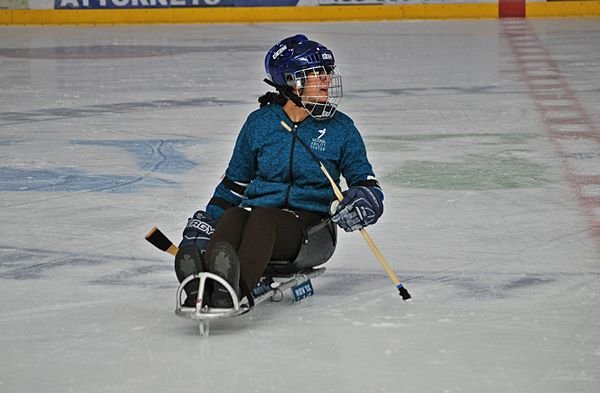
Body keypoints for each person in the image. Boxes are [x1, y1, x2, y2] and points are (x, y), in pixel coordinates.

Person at [174, 34, 384, 308]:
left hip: (312, 231)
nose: (327, 80)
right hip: (257, 222)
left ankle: (234, 291)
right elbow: (233, 186)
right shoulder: (260, 123)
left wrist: (363, 200)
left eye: (327, 72)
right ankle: (201, 288)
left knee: (262, 219)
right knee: (234, 216)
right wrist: (208, 220)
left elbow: (366, 182)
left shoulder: (341, 128)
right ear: (291, 81)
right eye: (316, 74)